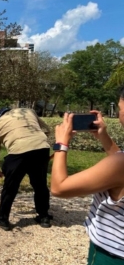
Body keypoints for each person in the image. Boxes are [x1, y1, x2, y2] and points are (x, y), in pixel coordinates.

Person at [52, 90, 124, 263]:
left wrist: (61, 144)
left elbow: (59, 188)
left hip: (111, 254)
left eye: (120, 108)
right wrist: (103, 137)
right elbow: (118, 169)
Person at [0, 107, 52, 231]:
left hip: (18, 153)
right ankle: (44, 217)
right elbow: (46, 129)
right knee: (40, 185)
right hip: (42, 148)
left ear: (0, 115)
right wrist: (38, 143)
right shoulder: (27, 111)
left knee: (10, 188)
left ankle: (2, 219)